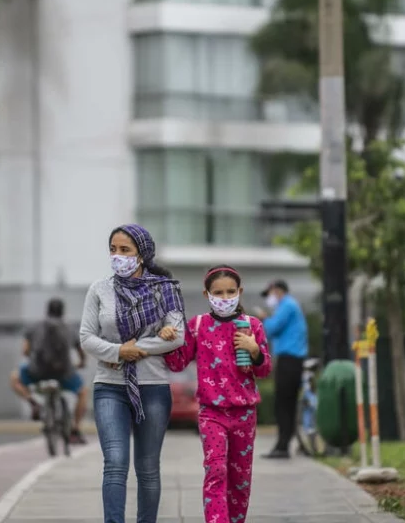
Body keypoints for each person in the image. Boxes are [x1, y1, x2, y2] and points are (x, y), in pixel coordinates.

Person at [80, 223, 186, 523]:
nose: (117, 256)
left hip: (153, 385)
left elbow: (177, 336)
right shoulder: (99, 289)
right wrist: (117, 352)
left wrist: (135, 348)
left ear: (142, 254)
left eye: (124, 250)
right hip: (110, 386)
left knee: (148, 467)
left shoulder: (166, 289)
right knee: (115, 462)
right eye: (113, 249)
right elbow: (86, 337)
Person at [164, 265, 272, 523]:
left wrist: (254, 350)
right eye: (218, 292)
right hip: (212, 413)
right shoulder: (198, 325)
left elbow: (265, 369)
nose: (225, 298)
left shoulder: (252, 325)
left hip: (244, 413)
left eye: (230, 292)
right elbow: (177, 363)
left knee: (240, 478)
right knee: (215, 470)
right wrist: (169, 340)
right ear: (207, 294)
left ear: (240, 292)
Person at [10, 297, 89, 445]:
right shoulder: (70, 329)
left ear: (47, 311)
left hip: (37, 372)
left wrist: (34, 358)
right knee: (83, 392)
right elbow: (81, 353)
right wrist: (81, 363)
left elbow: (25, 350)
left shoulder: (34, 327)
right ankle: (75, 430)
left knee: (15, 378)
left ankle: (33, 402)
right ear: (62, 313)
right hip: (64, 373)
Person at [256, 279, 308, 459]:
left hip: (289, 359)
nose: (269, 298)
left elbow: (270, 329)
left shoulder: (287, 305)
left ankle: (283, 445)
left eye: (269, 294)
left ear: (277, 290)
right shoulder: (289, 306)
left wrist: (263, 319)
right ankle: (283, 443)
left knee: (283, 404)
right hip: (291, 359)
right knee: (287, 403)